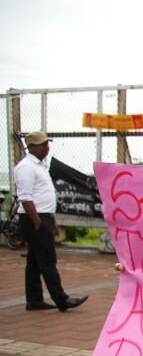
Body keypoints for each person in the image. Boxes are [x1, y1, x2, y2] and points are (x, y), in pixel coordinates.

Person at [14, 131, 88, 312]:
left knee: (34, 260)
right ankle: (61, 299)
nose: (46, 147)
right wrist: (38, 222)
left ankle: (34, 300)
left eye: (47, 143)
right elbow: (25, 197)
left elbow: (42, 196)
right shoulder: (26, 167)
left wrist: (51, 219)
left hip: (42, 216)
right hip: (35, 218)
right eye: (41, 144)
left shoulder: (39, 166)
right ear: (30, 147)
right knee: (47, 259)